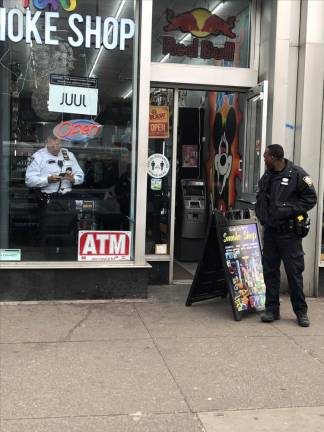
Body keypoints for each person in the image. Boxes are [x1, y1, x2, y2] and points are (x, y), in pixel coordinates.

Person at [255, 144, 317, 327]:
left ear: (274, 158)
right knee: (270, 272)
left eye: (266, 156)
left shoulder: (297, 174)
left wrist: (288, 210)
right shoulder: (267, 176)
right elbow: (261, 199)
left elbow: (310, 198)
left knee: (294, 274)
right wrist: (263, 216)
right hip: (271, 233)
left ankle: (301, 312)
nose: (264, 159)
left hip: (289, 235)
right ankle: (271, 310)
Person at [25, 136, 84, 252]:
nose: (56, 148)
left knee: (69, 229)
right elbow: (29, 180)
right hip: (48, 199)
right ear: (46, 144)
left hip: (67, 199)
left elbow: (80, 176)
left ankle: (68, 254)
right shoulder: (38, 156)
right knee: (47, 231)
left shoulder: (68, 155)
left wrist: (73, 179)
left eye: (58, 145)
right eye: (53, 146)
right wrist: (48, 180)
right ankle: (46, 256)